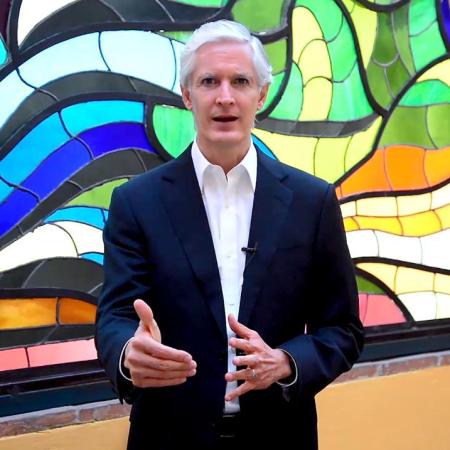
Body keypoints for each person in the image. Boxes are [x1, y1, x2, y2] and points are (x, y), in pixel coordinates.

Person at [95, 20, 364, 450]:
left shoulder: (312, 201)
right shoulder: (136, 202)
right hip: (169, 438)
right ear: (187, 95)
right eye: (209, 82)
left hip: (280, 438)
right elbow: (115, 317)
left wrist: (285, 362)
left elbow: (343, 329)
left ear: (261, 95)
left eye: (240, 81)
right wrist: (128, 352)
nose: (225, 97)